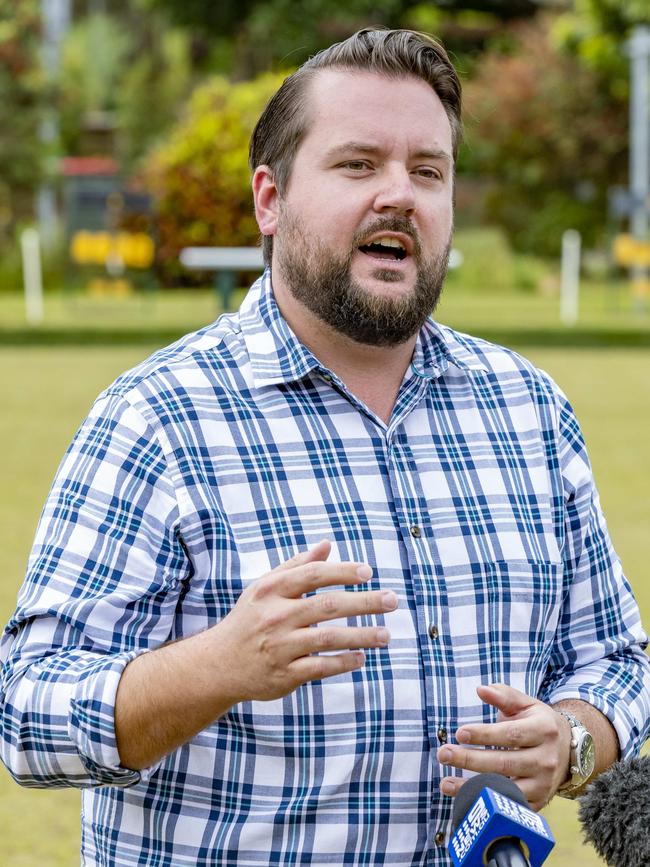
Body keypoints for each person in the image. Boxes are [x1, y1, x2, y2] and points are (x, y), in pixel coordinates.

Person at [1, 28, 649, 867]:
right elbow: (26, 713)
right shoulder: (159, 418)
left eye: (428, 170)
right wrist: (217, 667)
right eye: (357, 164)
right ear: (270, 200)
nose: (400, 195)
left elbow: (618, 659)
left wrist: (571, 738)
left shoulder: (528, 408)